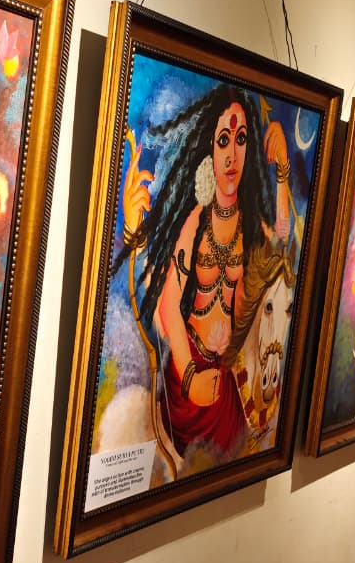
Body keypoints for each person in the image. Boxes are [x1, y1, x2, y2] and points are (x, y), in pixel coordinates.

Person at [119, 83, 292, 464]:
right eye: (223, 140)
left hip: (227, 379)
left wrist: (282, 173)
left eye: (241, 139)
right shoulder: (196, 222)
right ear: (210, 149)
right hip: (188, 379)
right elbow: (168, 305)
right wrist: (190, 376)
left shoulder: (251, 226)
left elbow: (283, 239)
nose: (232, 154)